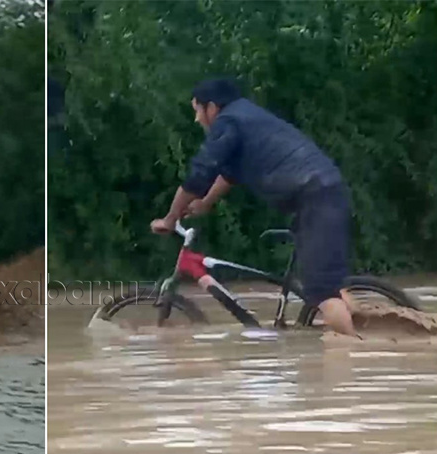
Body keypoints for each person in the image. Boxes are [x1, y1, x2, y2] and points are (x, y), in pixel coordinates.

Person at [150, 77, 359, 338]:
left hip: (313, 195)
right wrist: (204, 203)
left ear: (212, 107)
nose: (196, 119)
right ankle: (372, 331)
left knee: (322, 292)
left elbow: (198, 175)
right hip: (321, 192)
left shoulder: (228, 122)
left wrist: (169, 219)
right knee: (329, 283)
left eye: (196, 111)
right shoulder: (247, 116)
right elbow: (229, 173)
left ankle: (355, 357)